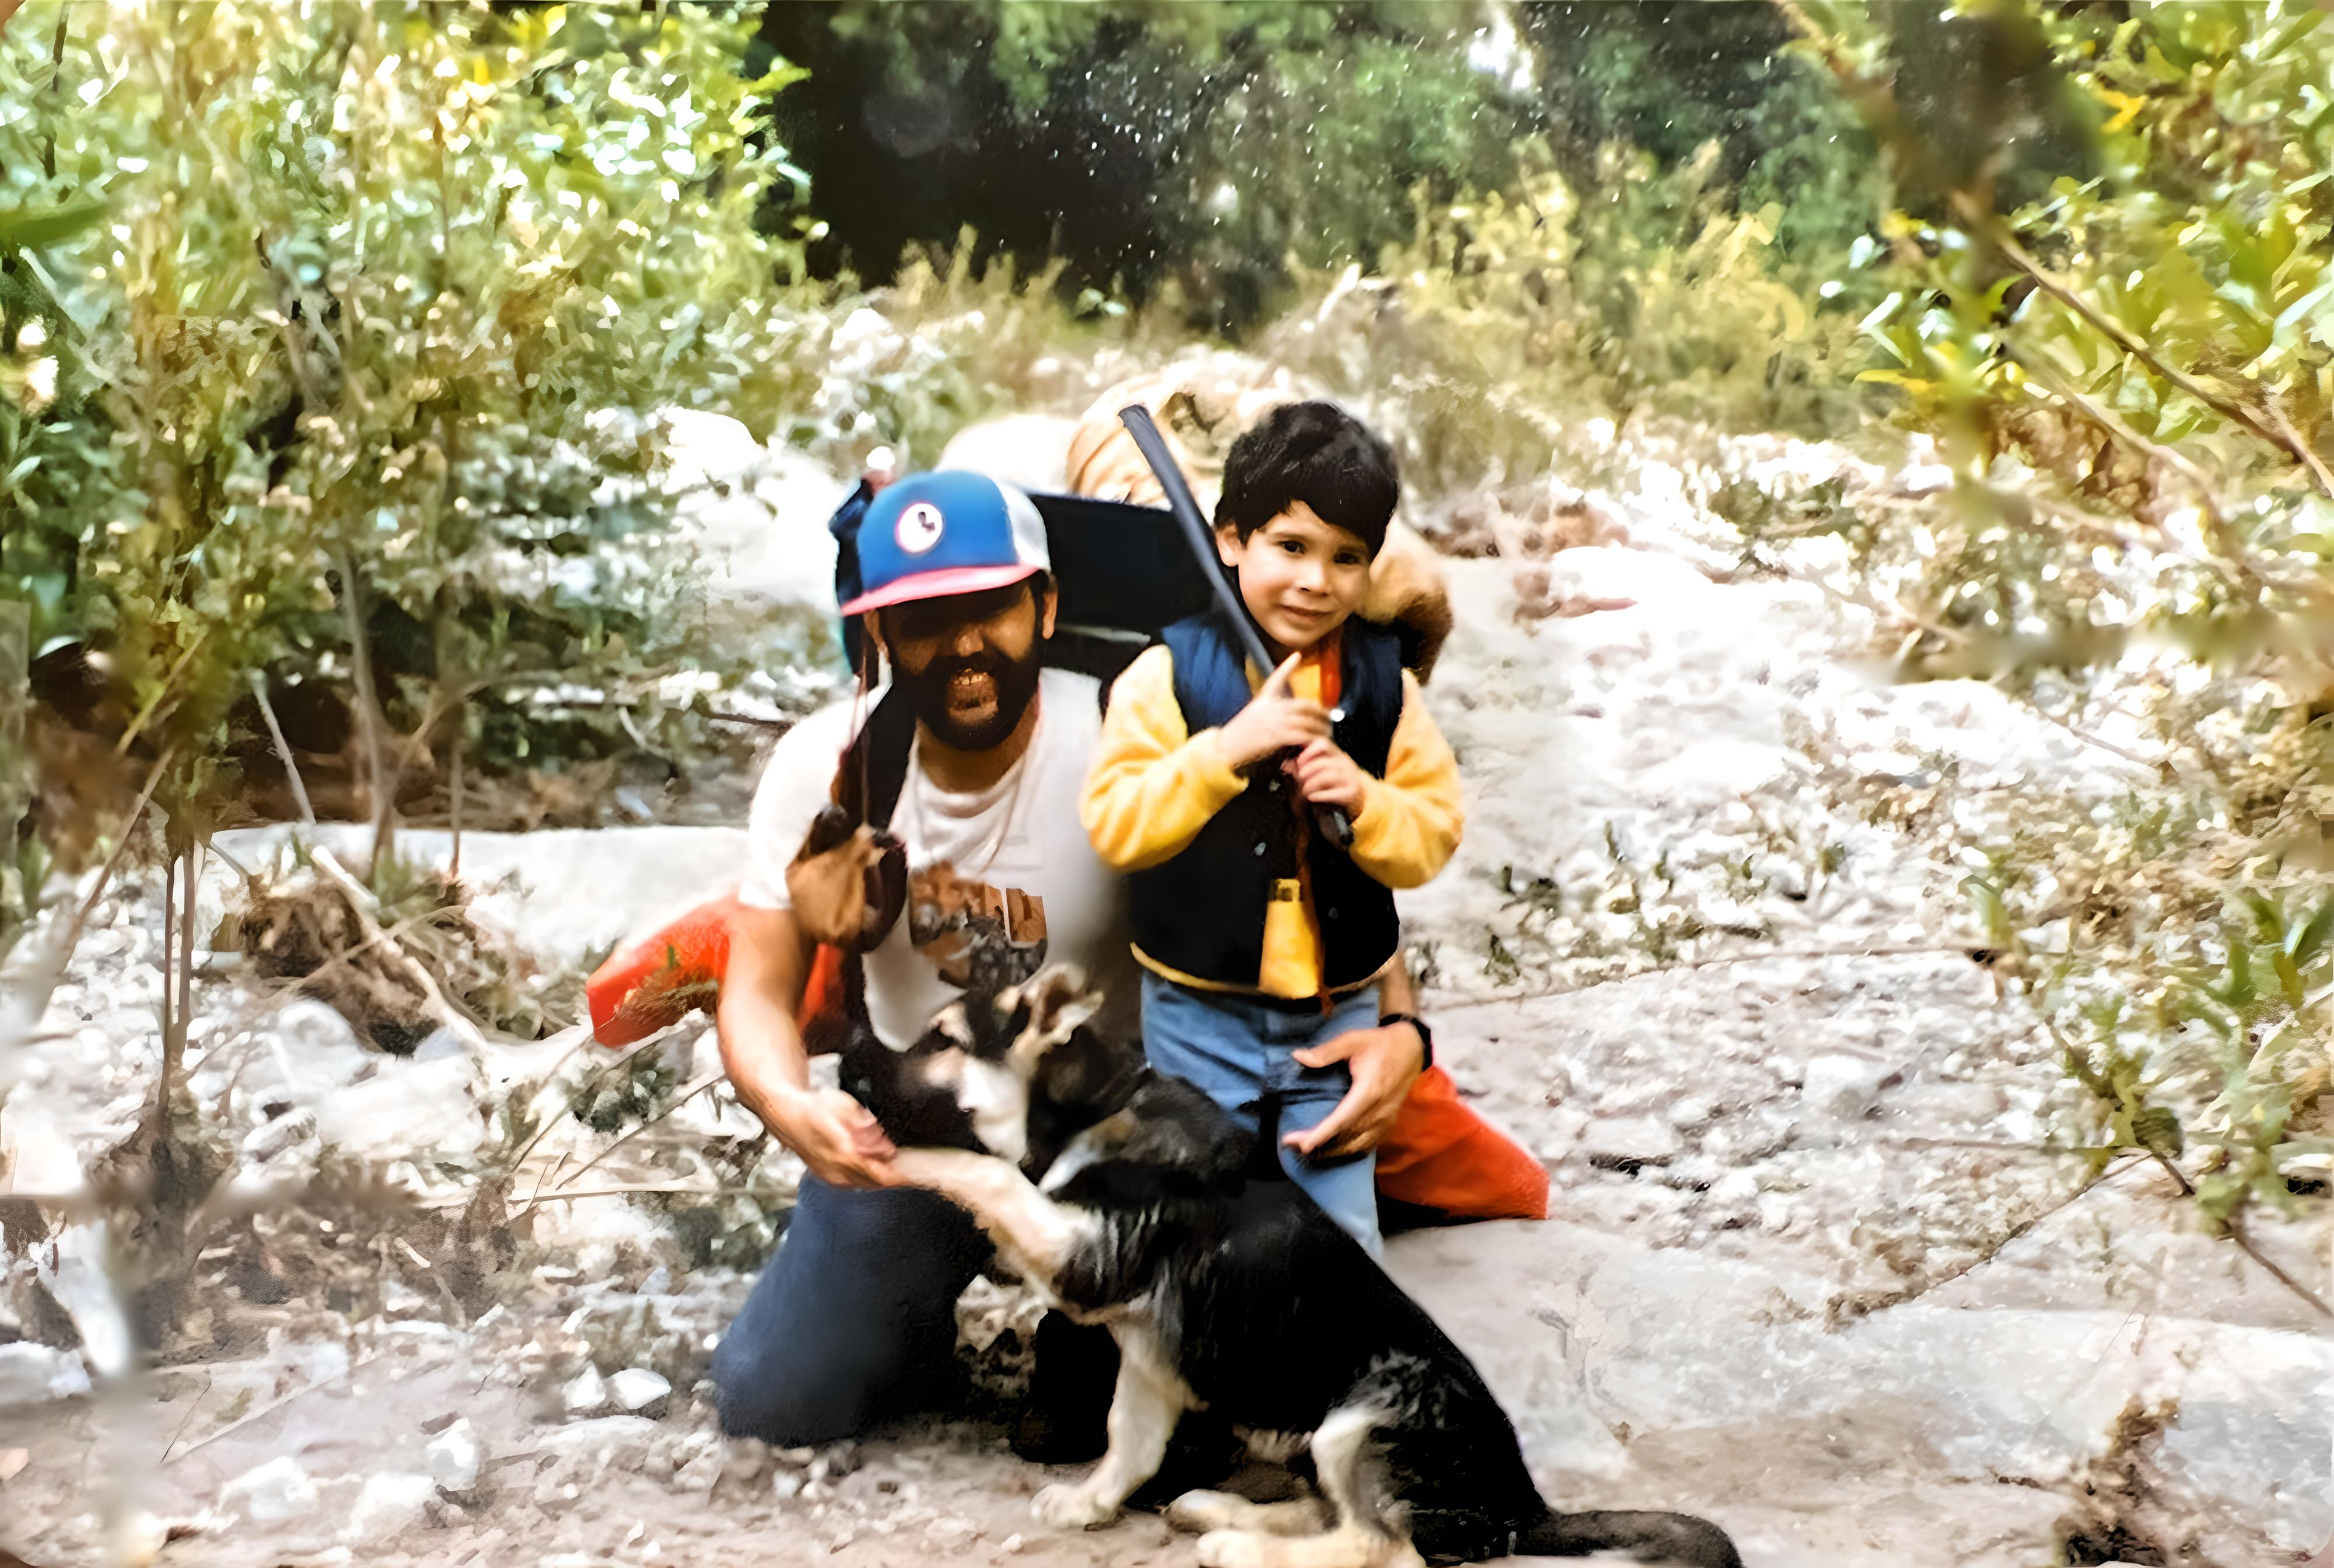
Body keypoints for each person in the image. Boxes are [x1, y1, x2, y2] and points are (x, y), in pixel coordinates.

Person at [1079, 402, 1464, 1259]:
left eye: (1346, 559)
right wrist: (1225, 752)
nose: (1316, 582)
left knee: (1340, 1238)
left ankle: (1327, 1377)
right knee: (1187, 1220)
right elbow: (1117, 824)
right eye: (1290, 547)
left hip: (1337, 1015)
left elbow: (1434, 831)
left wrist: (1366, 802)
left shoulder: (1382, 688)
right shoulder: (1166, 676)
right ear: (1230, 543)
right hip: (1195, 1012)